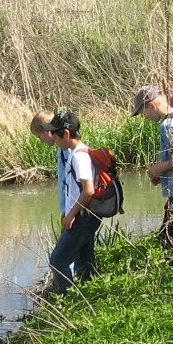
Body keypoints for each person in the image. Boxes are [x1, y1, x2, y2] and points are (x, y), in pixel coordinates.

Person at [131, 83, 173, 246]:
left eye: (143, 112)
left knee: (169, 237)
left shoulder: (166, 125)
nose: (144, 116)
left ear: (151, 106)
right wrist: (162, 172)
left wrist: (161, 167)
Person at [45, 109, 100, 293]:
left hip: (83, 217)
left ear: (66, 133)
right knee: (85, 261)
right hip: (84, 215)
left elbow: (88, 191)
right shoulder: (73, 153)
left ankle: (69, 299)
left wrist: (70, 215)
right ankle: (91, 294)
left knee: (58, 260)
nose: (53, 138)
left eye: (55, 133)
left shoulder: (79, 156)